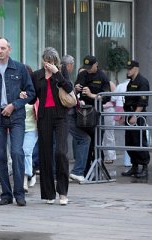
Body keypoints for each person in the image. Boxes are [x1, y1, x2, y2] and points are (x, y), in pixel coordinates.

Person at [0, 38, 35, 207]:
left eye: (3, 48)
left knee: (17, 152)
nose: (0, 51)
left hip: (16, 116)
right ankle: (6, 194)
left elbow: (30, 92)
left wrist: (14, 105)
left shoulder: (20, 69)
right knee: (0, 155)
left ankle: (19, 193)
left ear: (9, 49)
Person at [31, 47, 73, 205]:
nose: (49, 64)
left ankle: (62, 192)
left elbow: (69, 88)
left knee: (61, 152)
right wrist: (24, 95)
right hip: (44, 116)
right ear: (43, 60)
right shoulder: (37, 75)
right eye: (47, 61)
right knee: (45, 154)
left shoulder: (61, 72)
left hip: (61, 115)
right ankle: (48, 194)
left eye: (52, 61)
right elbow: (32, 97)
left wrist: (57, 73)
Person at [75, 55, 111, 175]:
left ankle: (98, 170)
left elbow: (106, 97)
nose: (88, 69)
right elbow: (74, 92)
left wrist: (91, 95)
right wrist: (76, 89)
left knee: (96, 142)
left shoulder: (103, 76)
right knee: (85, 142)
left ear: (96, 64)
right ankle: (84, 170)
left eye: (90, 67)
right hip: (83, 113)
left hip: (96, 113)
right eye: (87, 67)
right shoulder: (82, 74)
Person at [61, 55, 91, 183]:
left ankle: (56, 172)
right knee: (84, 139)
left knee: (57, 143)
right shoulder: (64, 76)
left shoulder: (55, 74)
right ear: (69, 65)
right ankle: (78, 171)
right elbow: (68, 98)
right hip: (67, 115)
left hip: (59, 115)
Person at [121, 60, 150, 179]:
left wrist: (135, 115)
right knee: (129, 141)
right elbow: (127, 99)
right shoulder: (130, 82)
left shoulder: (142, 82)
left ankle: (144, 167)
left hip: (137, 114)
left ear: (136, 69)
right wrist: (125, 114)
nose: (128, 71)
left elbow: (142, 101)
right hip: (129, 113)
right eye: (127, 69)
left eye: (130, 69)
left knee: (139, 141)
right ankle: (134, 166)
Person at [113, 78, 131, 167]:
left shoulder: (120, 86)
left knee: (128, 135)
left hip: (121, 109)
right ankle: (129, 161)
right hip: (132, 111)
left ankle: (127, 161)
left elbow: (113, 98)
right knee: (132, 135)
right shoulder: (133, 85)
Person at [102, 81, 117, 164]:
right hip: (98, 108)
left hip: (108, 110)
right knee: (100, 133)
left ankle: (110, 156)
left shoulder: (110, 84)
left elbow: (116, 98)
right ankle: (102, 155)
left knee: (109, 133)